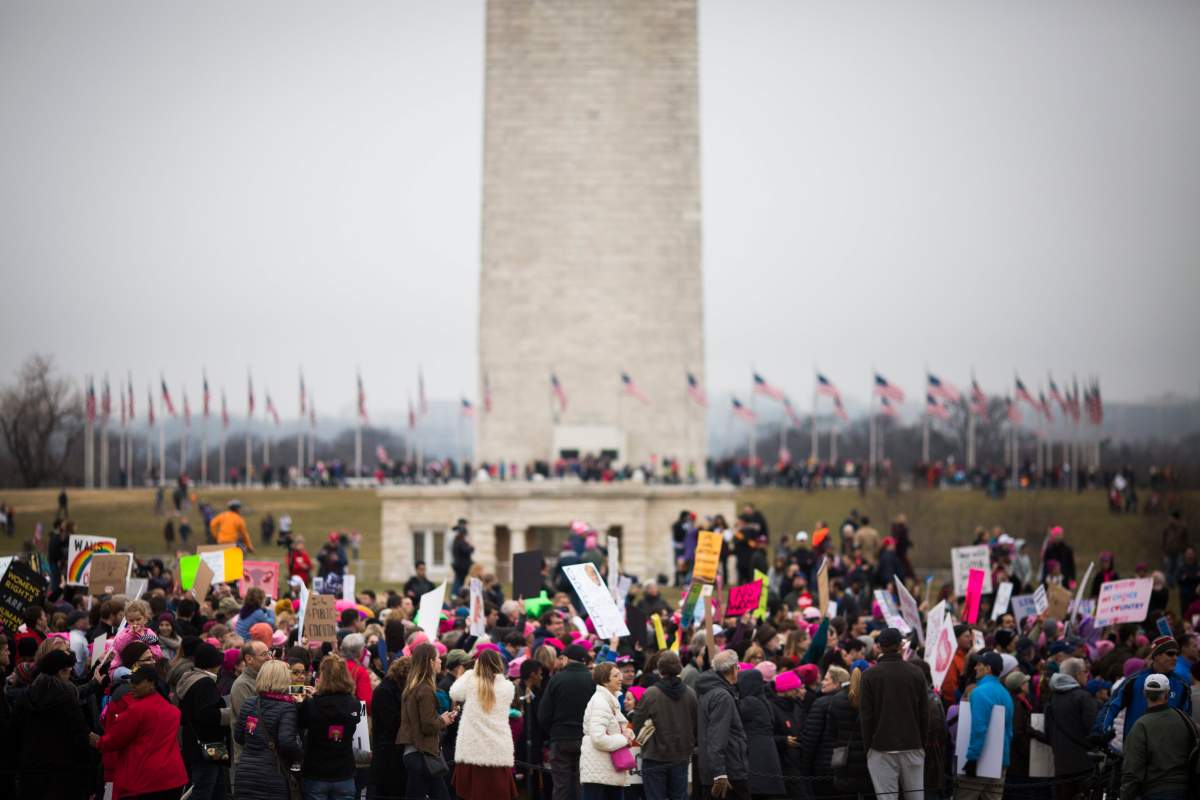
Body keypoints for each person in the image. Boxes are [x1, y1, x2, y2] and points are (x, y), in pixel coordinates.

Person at [91, 666, 189, 800]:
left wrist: (96, 741)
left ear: (151, 683)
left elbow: (113, 740)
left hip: (143, 780)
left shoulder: (135, 710)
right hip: (172, 778)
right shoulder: (172, 710)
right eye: (131, 681)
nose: (132, 685)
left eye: (137, 682)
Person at [859, 627, 928, 800]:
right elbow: (924, 714)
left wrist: (869, 748)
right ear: (900, 645)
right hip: (912, 744)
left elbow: (866, 717)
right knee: (915, 797)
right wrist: (921, 744)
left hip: (881, 747)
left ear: (880, 647)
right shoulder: (916, 672)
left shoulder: (869, 675)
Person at [12, 650, 92, 799]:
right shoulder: (67, 698)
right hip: (63, 774)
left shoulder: (25, 696)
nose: (69, 678)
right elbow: (79, 737)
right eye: (68, 673)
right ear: (60, 672)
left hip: (31, 771)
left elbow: (15, 734)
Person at [450, 648, 517, 800]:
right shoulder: (508, 687)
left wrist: (467, 673)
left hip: (471, 750)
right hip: (498, 750)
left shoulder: (470, 681)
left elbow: (454, 693)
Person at [629, 650, 696, 800]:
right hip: (681, 755)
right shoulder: (690, 694)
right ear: (679, 667)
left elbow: (637, 722)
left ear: (659, 669)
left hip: (654, 756)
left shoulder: (651, 693)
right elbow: (695, 723)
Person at [233, 659, 304, 800]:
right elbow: (287, 742)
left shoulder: (249, 703)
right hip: (272, 775)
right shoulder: (287, 707)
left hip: (245, 773)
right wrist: (301, 755)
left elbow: (239, 737)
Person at [1120, 672, 1197, 800]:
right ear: (1167, 694)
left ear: (1144, 693)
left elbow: (1132, 770)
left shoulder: (1140, 726)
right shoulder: (1184, 719)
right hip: (1186, 789)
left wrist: (1125, 795)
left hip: (1154, 790)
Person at [1097, 635, 1192, 738]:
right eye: (1170, 654)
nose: (1175, 658)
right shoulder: (1134, 680)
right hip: (1137, 746)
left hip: (1167, 749)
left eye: (1177, 654)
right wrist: (1100, 731)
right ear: (1156, 656)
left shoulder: (1182, 685)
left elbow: (1187, 720)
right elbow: (1111, 706)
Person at [298, 656, 363, 800]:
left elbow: (301, 724)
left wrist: (308, 699)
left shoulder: (311, 704)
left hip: (316, 772)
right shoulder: (354, 704)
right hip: (344, 772)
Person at [397, 643, 456, 800]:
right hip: (422, 755)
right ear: (430, 662)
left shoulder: (412, 687)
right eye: (437, 658)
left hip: (417, 754)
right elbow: (428, 725)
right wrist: (443, 720)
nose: (440, 661)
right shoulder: (425, 690)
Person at [538, 644, 595, 800]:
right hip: (586, 739)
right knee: (581, 784)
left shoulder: (557, 679)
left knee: (561, 787)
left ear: (568, 659)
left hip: (560, 739)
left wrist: (554, 731)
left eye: (562, 658)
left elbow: (543, 714)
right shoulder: (593, 679)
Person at [178, 642, 232, 800]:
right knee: (205, 789)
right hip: (208, 747)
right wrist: (230, 713)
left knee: (213, 788)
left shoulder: (190, 678)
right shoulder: (205, 683)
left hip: (194, 744)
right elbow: (206, 715)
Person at [956, 652, 1013, 800]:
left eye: (979, 665)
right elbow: (1009, 732)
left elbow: (979, 728)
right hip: (1000, 761)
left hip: (981, 762)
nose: (975, 667)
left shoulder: (980, 692)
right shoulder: (1006, 693)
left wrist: (972, 758)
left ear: (988, 668)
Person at [697, 650, 751, 800]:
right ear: (734, 668)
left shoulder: (710, 691)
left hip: (718, 769)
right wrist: (720, 773)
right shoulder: (722, 696)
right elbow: (717, 737)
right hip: (728, 771)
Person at [1044, 657, 1099, 800]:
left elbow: (1048, 733)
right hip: (1084, 764)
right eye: (1085, 672)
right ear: (1077, 674)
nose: (1087, 675)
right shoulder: (1083, 697)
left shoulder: (1052, 698)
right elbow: (1093, 729)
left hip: (1061, 765)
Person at [580, 661, 634, 800]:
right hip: (599, 769)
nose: (621, 678)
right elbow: (598, 738)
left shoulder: (610, 701)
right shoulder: (600, 702)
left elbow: (617, 728)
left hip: (607, 767)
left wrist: (627, 733)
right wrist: (623, 739)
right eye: (616, 676)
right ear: (605, 681)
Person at [734, 666, 785, 799]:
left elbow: (733, 712)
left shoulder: (750, 702)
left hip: (756, 757)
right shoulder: (763, 700)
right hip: (767, 757)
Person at [369, 655, 410, 800]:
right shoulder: (385, 691)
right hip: (388, 751)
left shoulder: (390, 689)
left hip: (392, 750)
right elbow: (392, 723)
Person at [230, 639, 272, 771]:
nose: (269, 658)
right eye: (264, 654)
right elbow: (249, 720)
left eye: (269, 653)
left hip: (265, 754)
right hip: (249, 756)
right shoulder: (242, 684)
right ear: (249, 659)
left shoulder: (265, 679)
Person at [451, 520, 474, 595]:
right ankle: (455, 595)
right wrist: (471, 547)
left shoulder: (457, 540)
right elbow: (467, 550)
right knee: (458, 582)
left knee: (459, 581)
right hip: (461, 566)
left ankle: (456, 595)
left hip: (460, 565)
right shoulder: (460, 541)